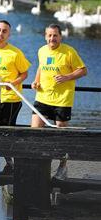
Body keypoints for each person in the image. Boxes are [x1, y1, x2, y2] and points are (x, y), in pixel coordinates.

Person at [31, 23, 87, 178]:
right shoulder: (42, 50)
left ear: (60, 36)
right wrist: (36, 81)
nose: (52, 38)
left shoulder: (69, 52)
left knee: (61, 132)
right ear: (45, 36)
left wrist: (67, 77)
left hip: (62, 100)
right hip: (42, 97)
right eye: (49, 35)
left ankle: (63, 166)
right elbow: (41, 67)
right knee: (34, 131)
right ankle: (38, 165)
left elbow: (83, 70)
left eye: (55, 35)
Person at [0, 20, 30, 175]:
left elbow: (24, 73)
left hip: (11, 98)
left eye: (4, 31)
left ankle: (14, 164)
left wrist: (12, 83)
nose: (0, 34)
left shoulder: (15, 53)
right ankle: (8, 163)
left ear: (9, 35)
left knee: (7, 132)